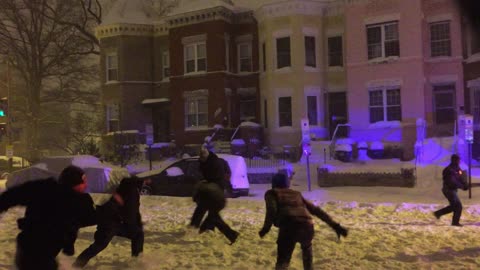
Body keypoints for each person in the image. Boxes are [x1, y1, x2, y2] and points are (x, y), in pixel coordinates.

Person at [0, 166, 96, 270]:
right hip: (34, 250)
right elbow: (90, 217)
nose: (86, 185)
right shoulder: (76, 200)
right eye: (83, 181)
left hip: (36, 249)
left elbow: (11, 196)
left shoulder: (44, 188)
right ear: (74, 182)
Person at [258, 173, 348, 270]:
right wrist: (335, 226)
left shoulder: (272, 193)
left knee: (283, 260)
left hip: (289, 227)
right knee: (307, 250)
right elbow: (315, 210)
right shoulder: (296, 194)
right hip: (307, 226)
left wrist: (266, 229)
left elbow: (271, 210)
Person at [73, 177, 145, 268]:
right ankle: (77, 265)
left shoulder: (123, 190)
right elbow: (130, 212)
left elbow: (133, 212)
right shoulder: (132, 192)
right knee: (99, 245)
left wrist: (137, 223)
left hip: (114, 222)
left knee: (137, 234)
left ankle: (78, 264)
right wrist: (135, 224)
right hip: (111, 224)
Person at [189, 145, 239, 244]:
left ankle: (231, 234)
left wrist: (205, 183)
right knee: (211, 215)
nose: (201, 160)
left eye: (202, 158)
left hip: (214, 194)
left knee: (212, 215)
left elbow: (214, 177)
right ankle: (204, 229)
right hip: (213, 193)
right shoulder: (207, 162)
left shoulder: (214, 164)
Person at [434, 154, 468, 226]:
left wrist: (465, 184)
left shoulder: (457, 169)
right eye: (458, 160)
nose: (459, 161)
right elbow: (451, 182)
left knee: (454, 206)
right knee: (458, 206)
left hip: (452, 190)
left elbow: (460, 177)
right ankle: (455, 222)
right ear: (454, 160)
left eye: (459, 160)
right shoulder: (448, 170)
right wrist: (461, 186)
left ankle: (438, 213)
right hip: (448, 190)